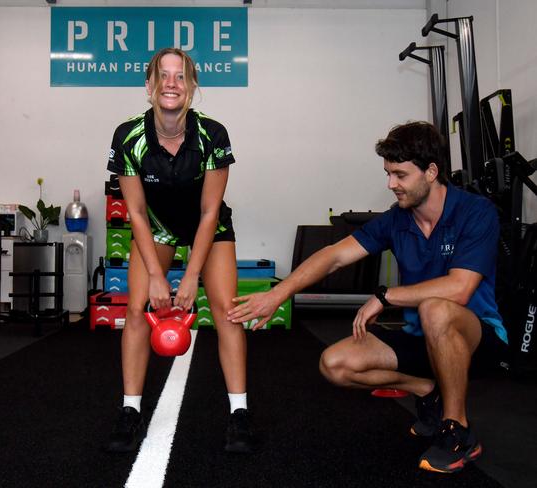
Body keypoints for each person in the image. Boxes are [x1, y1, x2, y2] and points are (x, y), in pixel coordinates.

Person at [228, 121, 508, 473]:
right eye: (388, 174)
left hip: (477, 339)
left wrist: (386, 296)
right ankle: (426, 389)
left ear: (432, 172)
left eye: (400, 175)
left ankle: (457, 431)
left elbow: (460, 287)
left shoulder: (475, 212)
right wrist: (278, 294)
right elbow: (334, 256)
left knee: (437, 308)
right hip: (420, 337)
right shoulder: (397, 220)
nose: (391, 184)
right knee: (335, 363)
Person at [106, 47, 255, 453]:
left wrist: (190, 277)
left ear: (191, 87)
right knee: (137, 308)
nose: (171, 84)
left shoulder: (213, 134)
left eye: (180, 77)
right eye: (164, 76)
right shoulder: (128, 136)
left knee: (226, 309)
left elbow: (209, 212)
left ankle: (239, 414)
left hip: (210, 225)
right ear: (149, 85)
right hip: (157, 227)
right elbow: (135, 211)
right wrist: (158, 275)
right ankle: (130, 411)